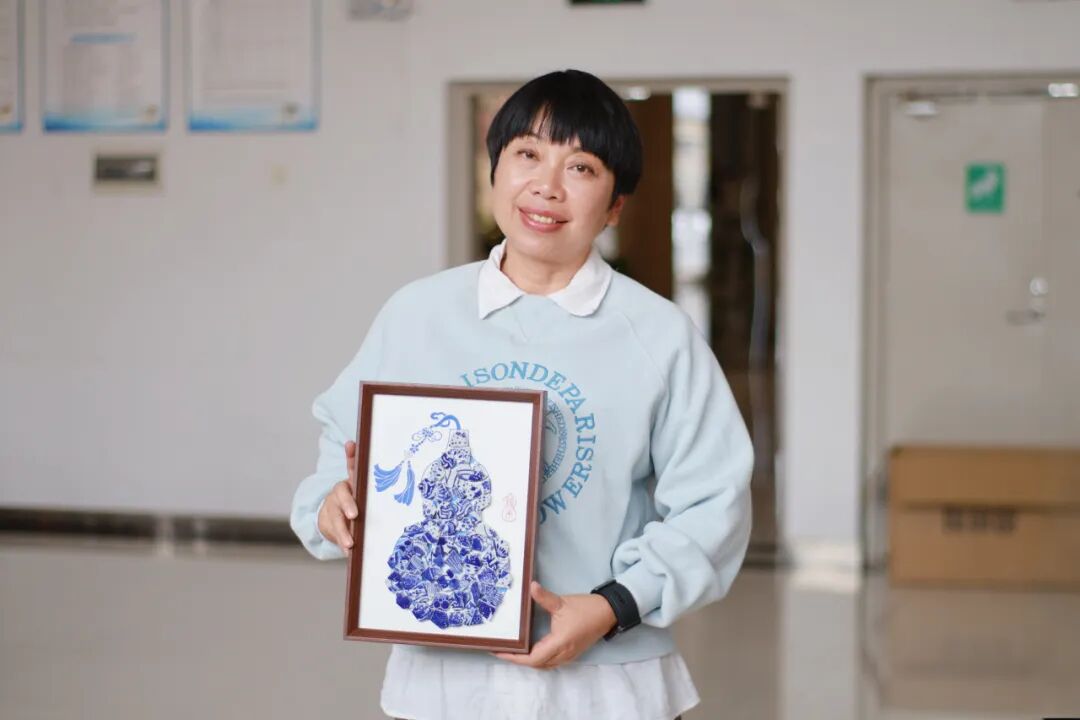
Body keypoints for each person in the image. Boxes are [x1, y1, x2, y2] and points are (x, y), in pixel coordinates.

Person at [290, 68, 753, 720]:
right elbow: (339, 453)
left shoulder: (659, 335)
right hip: (444, 683)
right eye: (528, 154)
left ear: (615, 205)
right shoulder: (418, 315)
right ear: (495, 171)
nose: (547, 185)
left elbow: (714, 505)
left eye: (582, 167)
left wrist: (613, 605)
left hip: (609, 688)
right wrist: (332, 505)